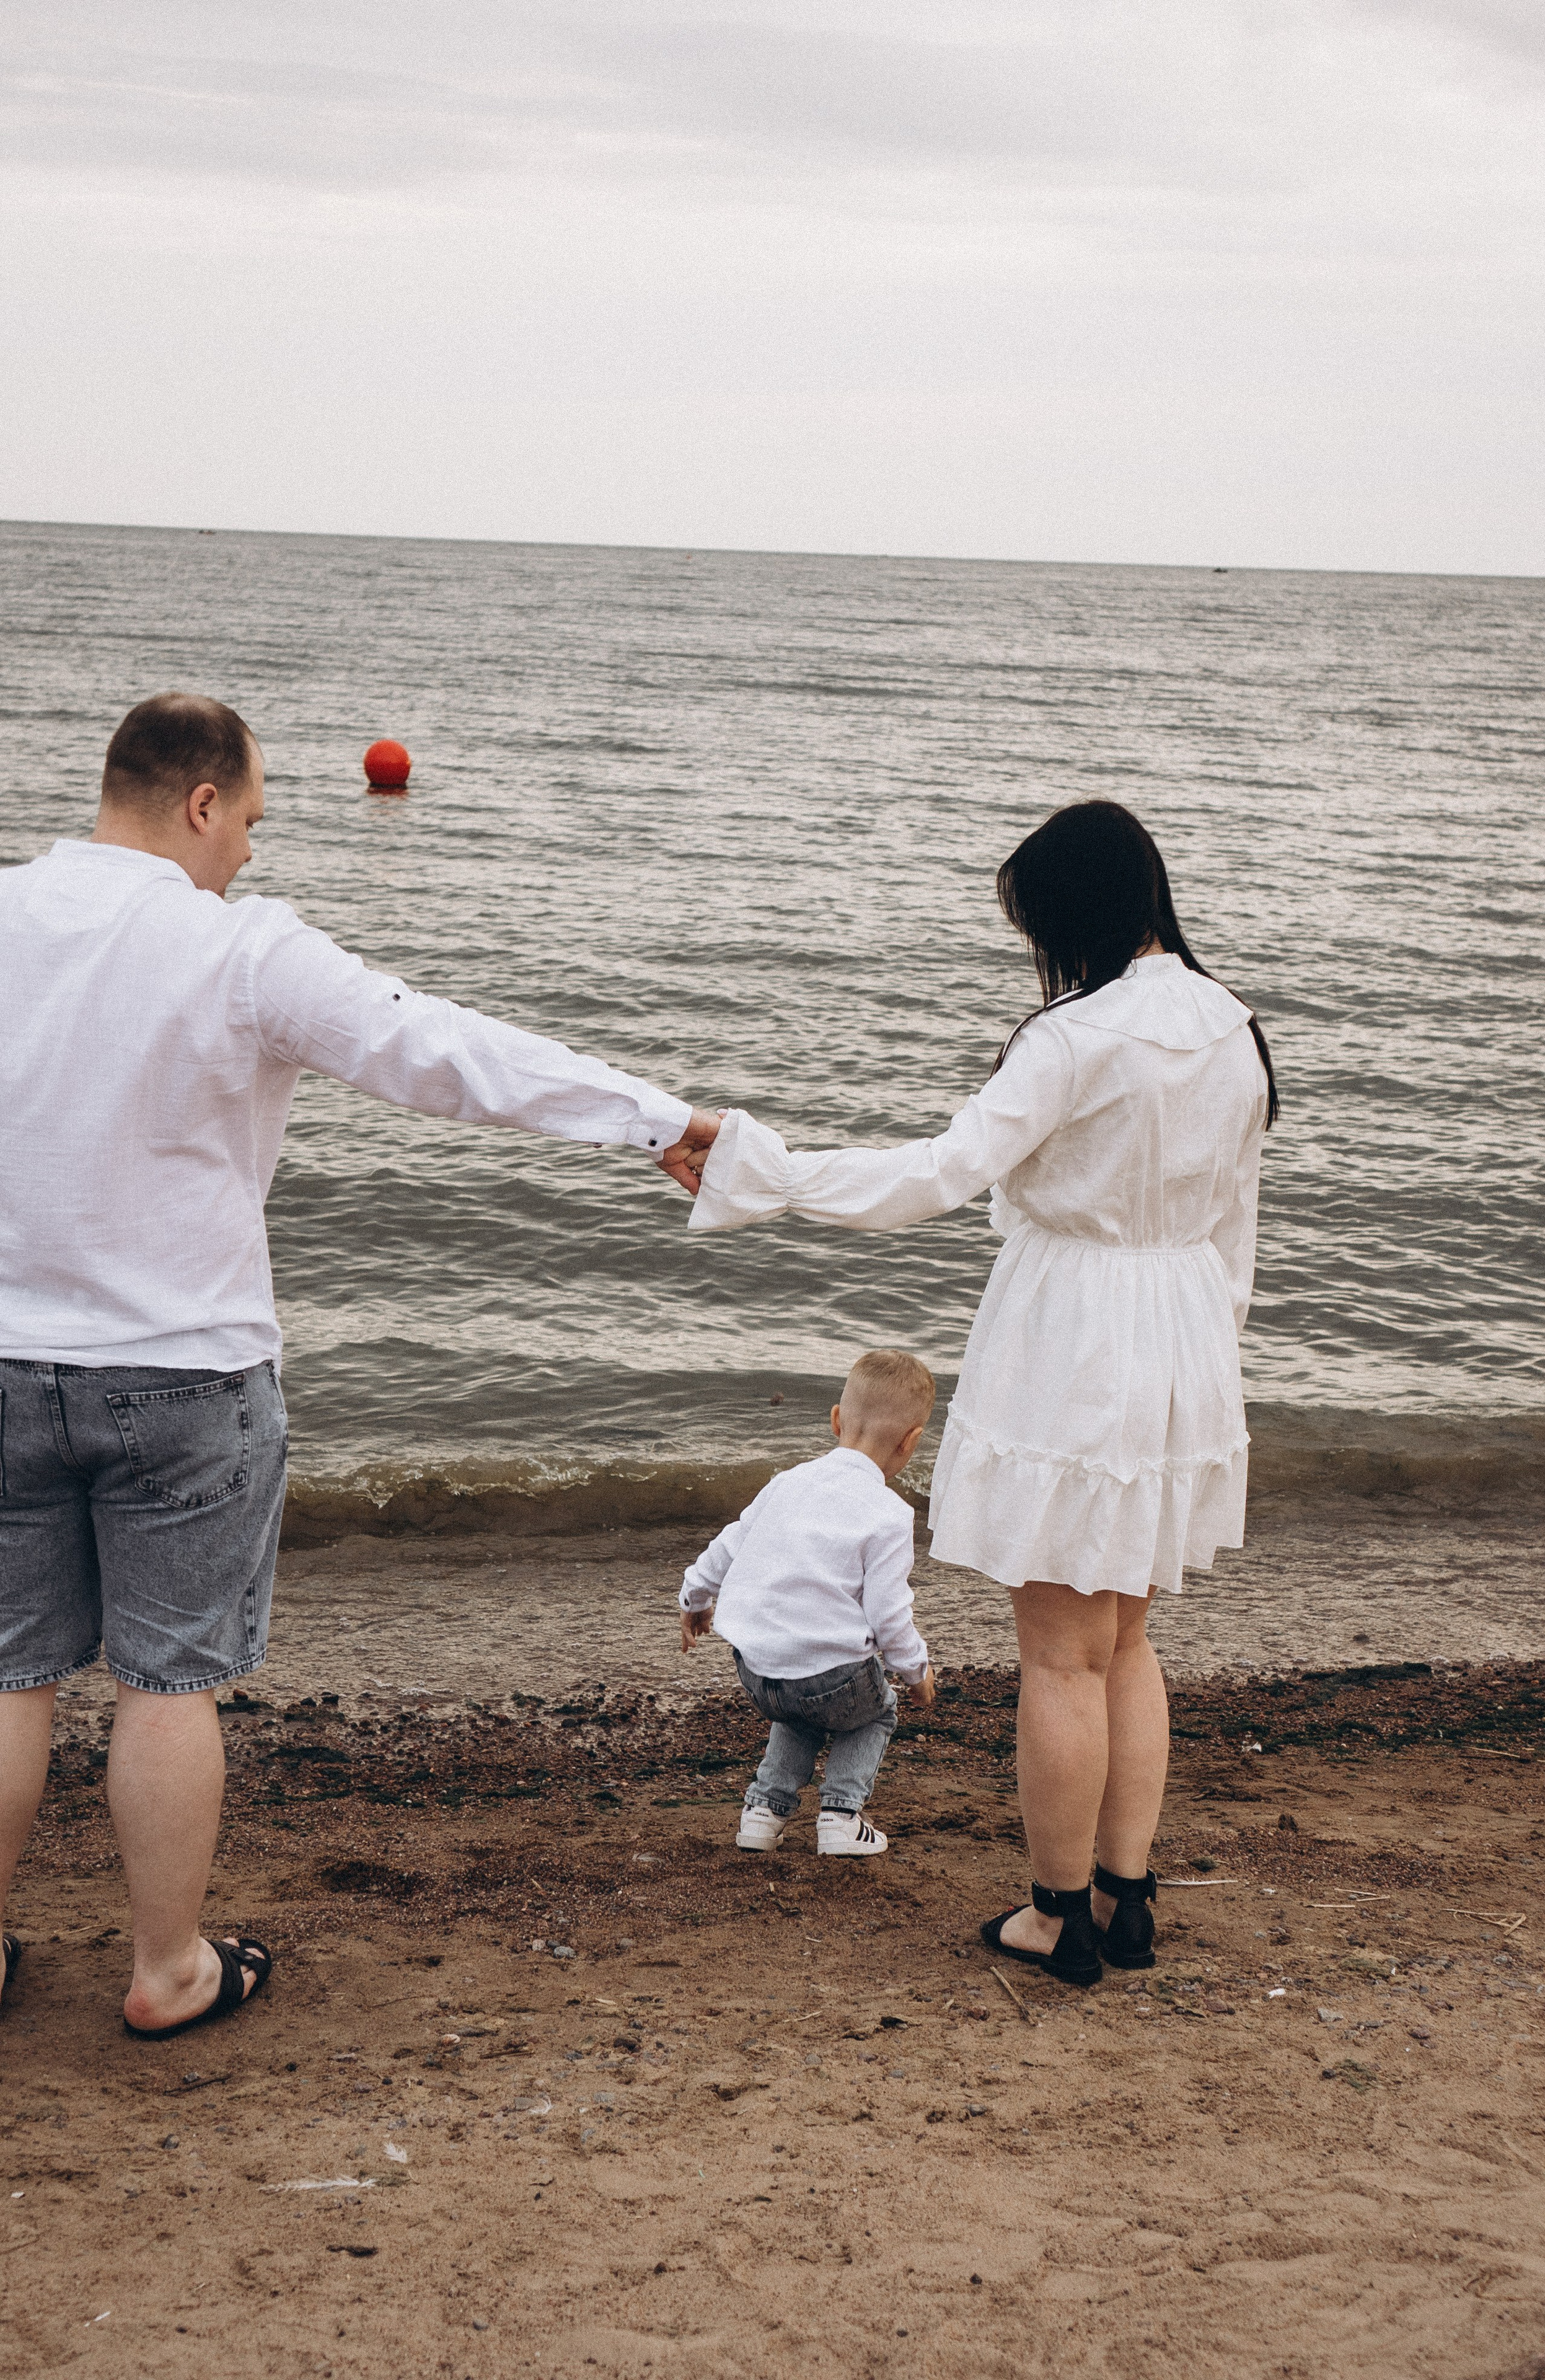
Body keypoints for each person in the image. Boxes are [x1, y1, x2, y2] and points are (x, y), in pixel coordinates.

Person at [0, 692, 718, 2039]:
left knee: (5, 1673)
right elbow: (441, 1051)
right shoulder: (240, 953)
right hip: (184, 1375)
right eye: (253, 822)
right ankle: (165, 1974)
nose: (251, 857)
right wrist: (654, 1118)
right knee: (165, 1686)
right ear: (202, 804)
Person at [688, 800, 1277, 1983]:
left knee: (1061, 1653)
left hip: (1077, 1330)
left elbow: (934, 1178)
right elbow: (1236, 1229)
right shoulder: (1233, 1025)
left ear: (1074, 915)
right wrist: (1206, 1359)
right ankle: (1128, 1898)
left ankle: (1056, 1920)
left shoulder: (1072, 1037)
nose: (1036, 955)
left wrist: (761, 1166)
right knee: (1126, 1641)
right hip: (1185, 1333)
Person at [678, 1349, 938, 1857]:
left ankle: (763, 1812)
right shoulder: (890, 1514)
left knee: (797, 1714)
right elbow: (889, 1616)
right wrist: (917, 1672)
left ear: (837, 1420)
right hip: (832, 1681)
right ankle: (841, 1815)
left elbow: (728, 1546)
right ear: (912, 1442)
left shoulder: (787, 1483)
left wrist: (695, 1599)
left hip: (758, 1674)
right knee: (876, 1712)